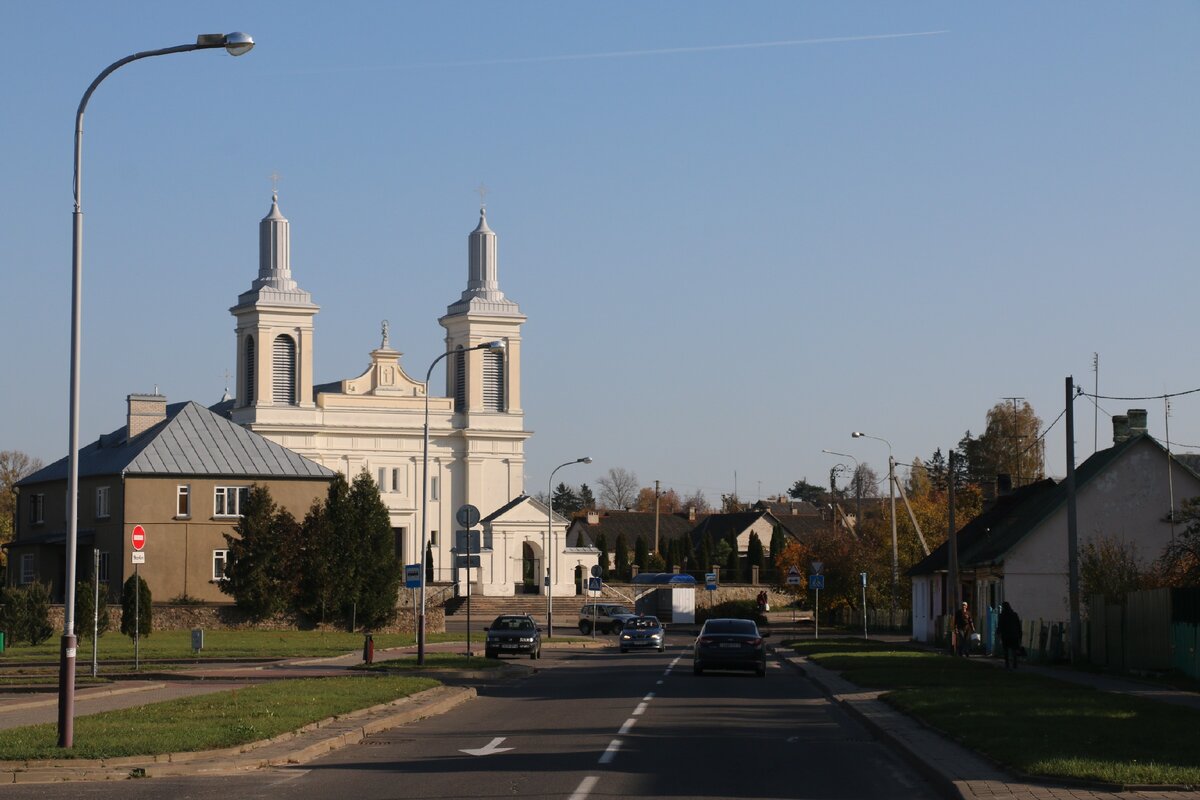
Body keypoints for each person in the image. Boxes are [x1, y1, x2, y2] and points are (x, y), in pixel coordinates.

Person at [998, 601, 1022, 669]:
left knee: (1006, 650)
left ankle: (1007, 664)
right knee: (1014, 650)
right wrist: (1020, 634)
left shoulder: (1003, 615)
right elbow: (1018, 625)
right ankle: (1015, 664)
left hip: (1005, 635)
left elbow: (1000, 625)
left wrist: (998, 632)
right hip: (1014, 635)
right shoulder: (1014, 615)